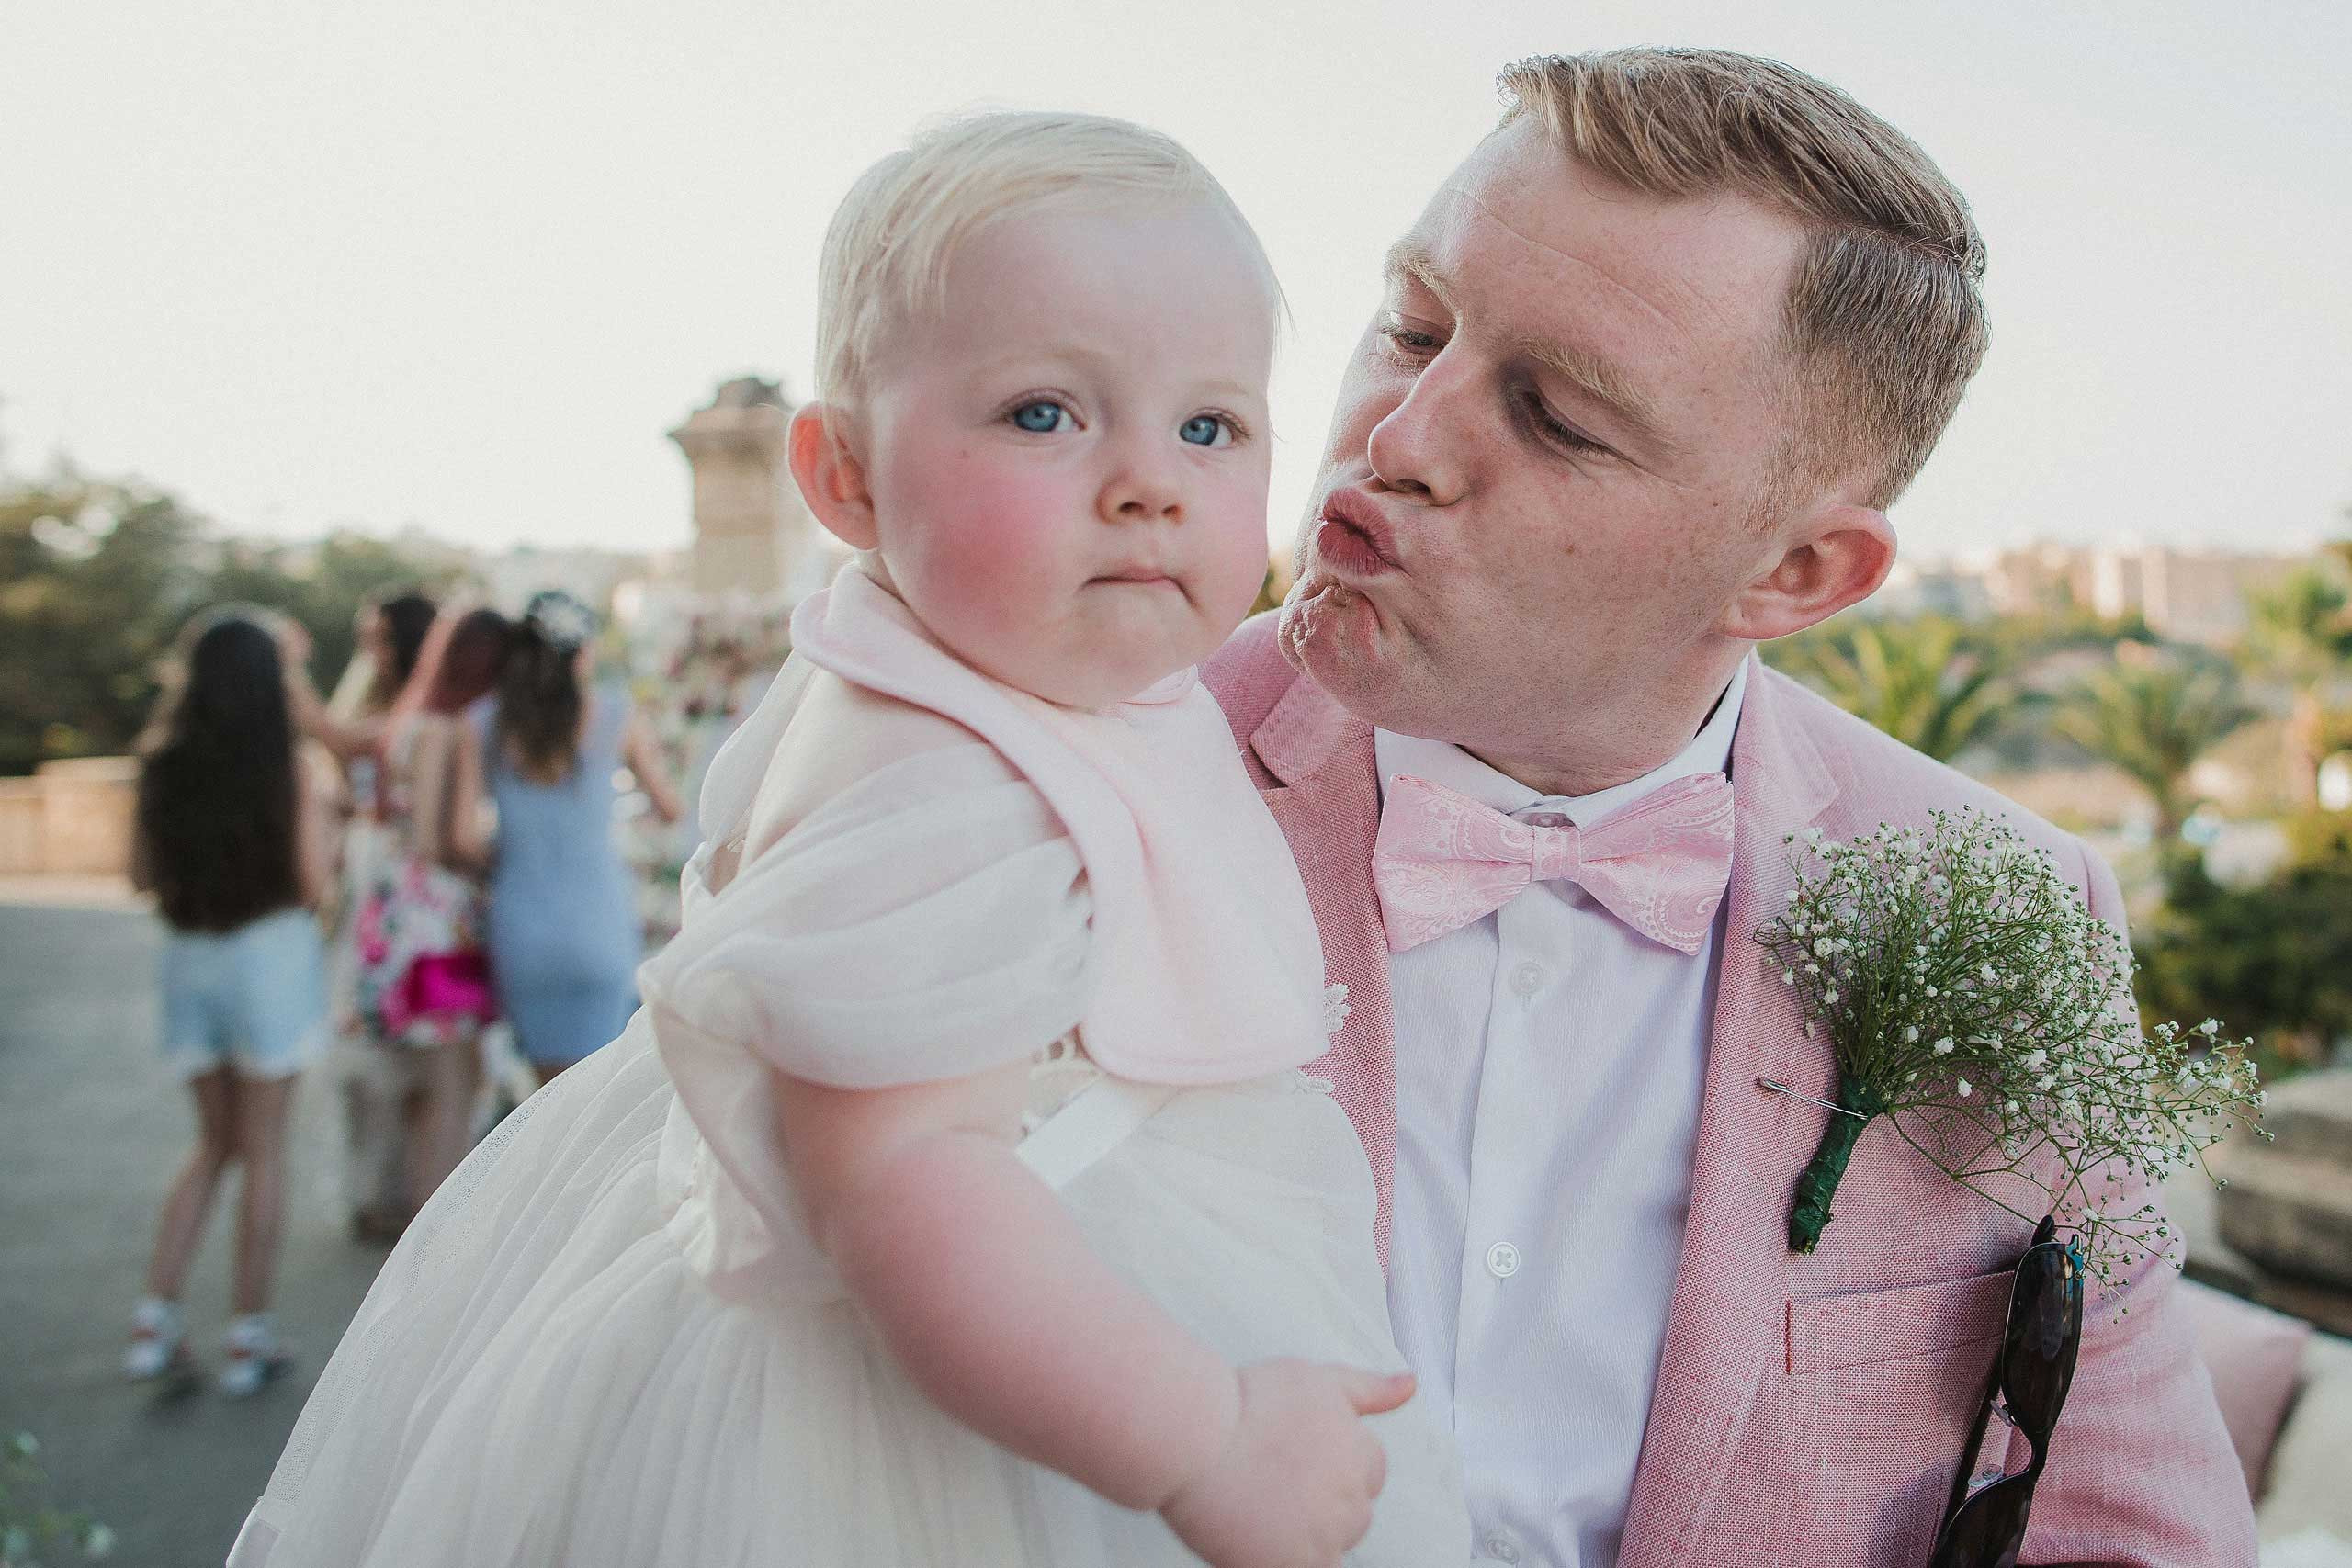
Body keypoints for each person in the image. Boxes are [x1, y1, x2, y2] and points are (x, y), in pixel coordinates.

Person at [229, 110, 1468, 1568]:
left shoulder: (986, 664)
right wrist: (1203, 1436)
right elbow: (899, 1188)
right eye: (1044, 413)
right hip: (988, 1376)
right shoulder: (935, 777)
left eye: (1209, 424)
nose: (1151, 480)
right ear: (846, 480)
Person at [1202, 48, 2255, 1568]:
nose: (1398, 437)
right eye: (1411, 322)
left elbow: (2134, 1529)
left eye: (1556, 416)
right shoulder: (1070, 784)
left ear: (1797, 575)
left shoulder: (2010, 905)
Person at [124, 610, 335, 1397]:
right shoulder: (291, 765)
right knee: (267, 1147)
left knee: (213, 1145)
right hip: (269, 957)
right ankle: (248, 1337)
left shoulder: (161, 761)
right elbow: (314, 884)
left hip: (188, 956)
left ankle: (154, 1319)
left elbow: (140, 875)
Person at [465, 590, 681, 1084]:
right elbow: (670, 809)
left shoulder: (484, 722)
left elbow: (460, 835)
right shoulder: (615, 715)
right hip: (598, 915)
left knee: (546, 1099)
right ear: (583, 652)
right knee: (598, 1093)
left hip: (522, 919)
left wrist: (508, 859)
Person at [342, 605, 510, 1221]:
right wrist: (497, 860)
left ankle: (411, 1215)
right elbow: (443, 842)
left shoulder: (409, 720)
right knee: (450, 1087)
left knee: (425, 1086)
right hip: (435, 928)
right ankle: (432, 1236)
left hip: (396, 919)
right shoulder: (447, 729)